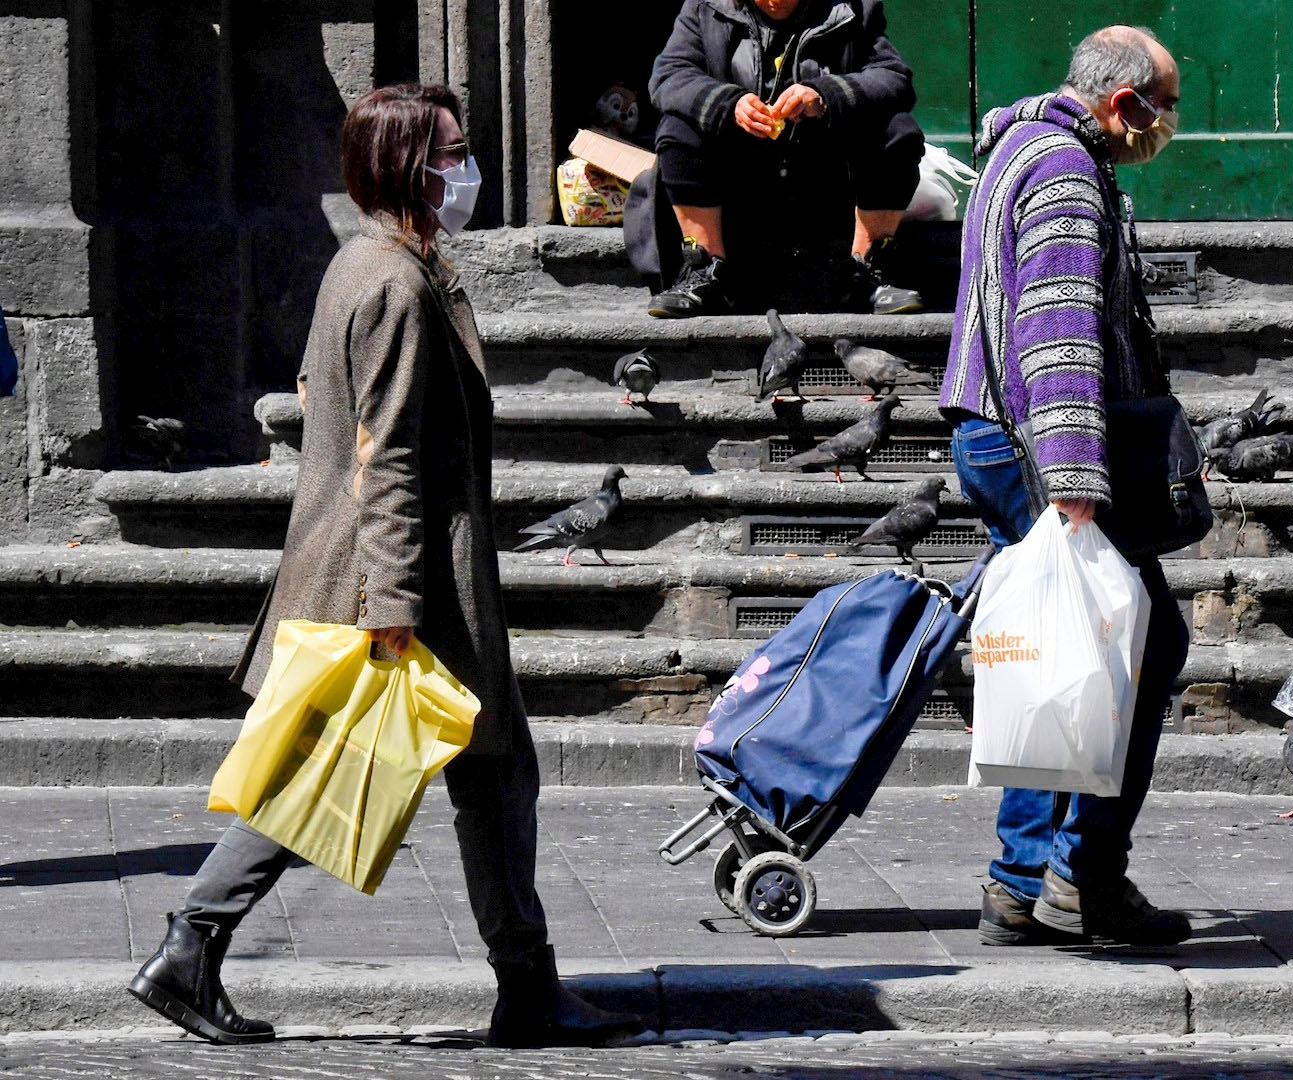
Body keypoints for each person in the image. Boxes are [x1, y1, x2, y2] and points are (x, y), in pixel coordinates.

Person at [126, 84, 648, 1049]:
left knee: (486, 777)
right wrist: (395, 602)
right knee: (338, 771)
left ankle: (523, 985)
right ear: (410, 167)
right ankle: (191, 944)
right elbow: (389, 455)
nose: (466, 168)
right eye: (452, 151)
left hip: (404, 573)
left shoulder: (370, 263)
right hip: (406, 579)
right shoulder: (396, 284)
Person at [938, 27, 1191, 947]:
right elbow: (1057, 333)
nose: (1168, 126)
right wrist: (1076, 483)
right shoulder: (1065, 173)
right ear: (1121, 104)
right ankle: (1080, 876)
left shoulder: (1021, 147)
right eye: (1163, 108)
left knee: (1065, 650)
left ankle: (1021, 883)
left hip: (1001, 437)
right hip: (1036, 448)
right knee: (1140, 644)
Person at [640, 0, 925, 317]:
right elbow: (669, 75)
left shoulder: (852, 7)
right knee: (678, 129)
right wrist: (728, 104)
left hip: (826, 177)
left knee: (897, 129)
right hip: (738, 180)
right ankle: (706, 271)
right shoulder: (705, 7)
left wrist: (824, 95)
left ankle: (866, 271)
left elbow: (894, 77)